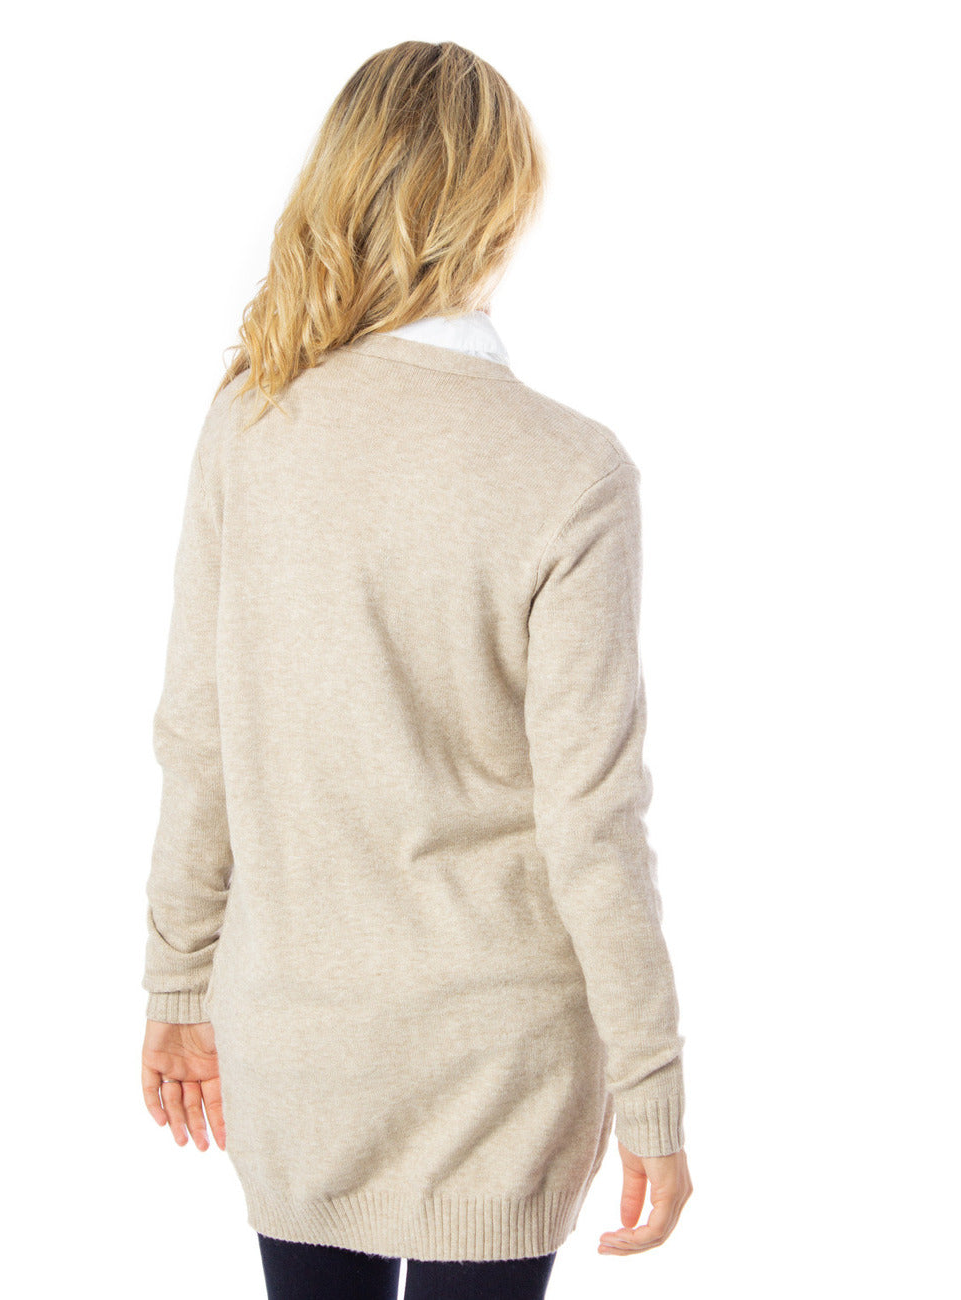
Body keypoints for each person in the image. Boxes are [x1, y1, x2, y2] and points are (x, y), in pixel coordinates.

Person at [138, 39, 694, 1299]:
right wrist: (652, 1086)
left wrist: (176, 981)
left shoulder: (251, 418)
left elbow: (196, 738)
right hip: (503, 1052)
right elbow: (593, 820)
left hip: (297, 1035)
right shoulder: (570, 468)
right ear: (504, 204)